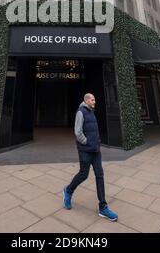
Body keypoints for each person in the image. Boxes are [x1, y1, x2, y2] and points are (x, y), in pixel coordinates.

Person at [63, 93, 118, 222]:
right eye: (93, 99)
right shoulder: (81, 112)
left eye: (95, 99)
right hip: (85, 150)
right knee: (83, 174)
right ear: (86, 100)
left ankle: (103, 207)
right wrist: (87, 142)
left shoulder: (91, 112)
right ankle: (68, 190)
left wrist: (97, 142)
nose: (95, 101)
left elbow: (93, 130)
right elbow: (77, 131)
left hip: (96, 150)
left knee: (100, 175)